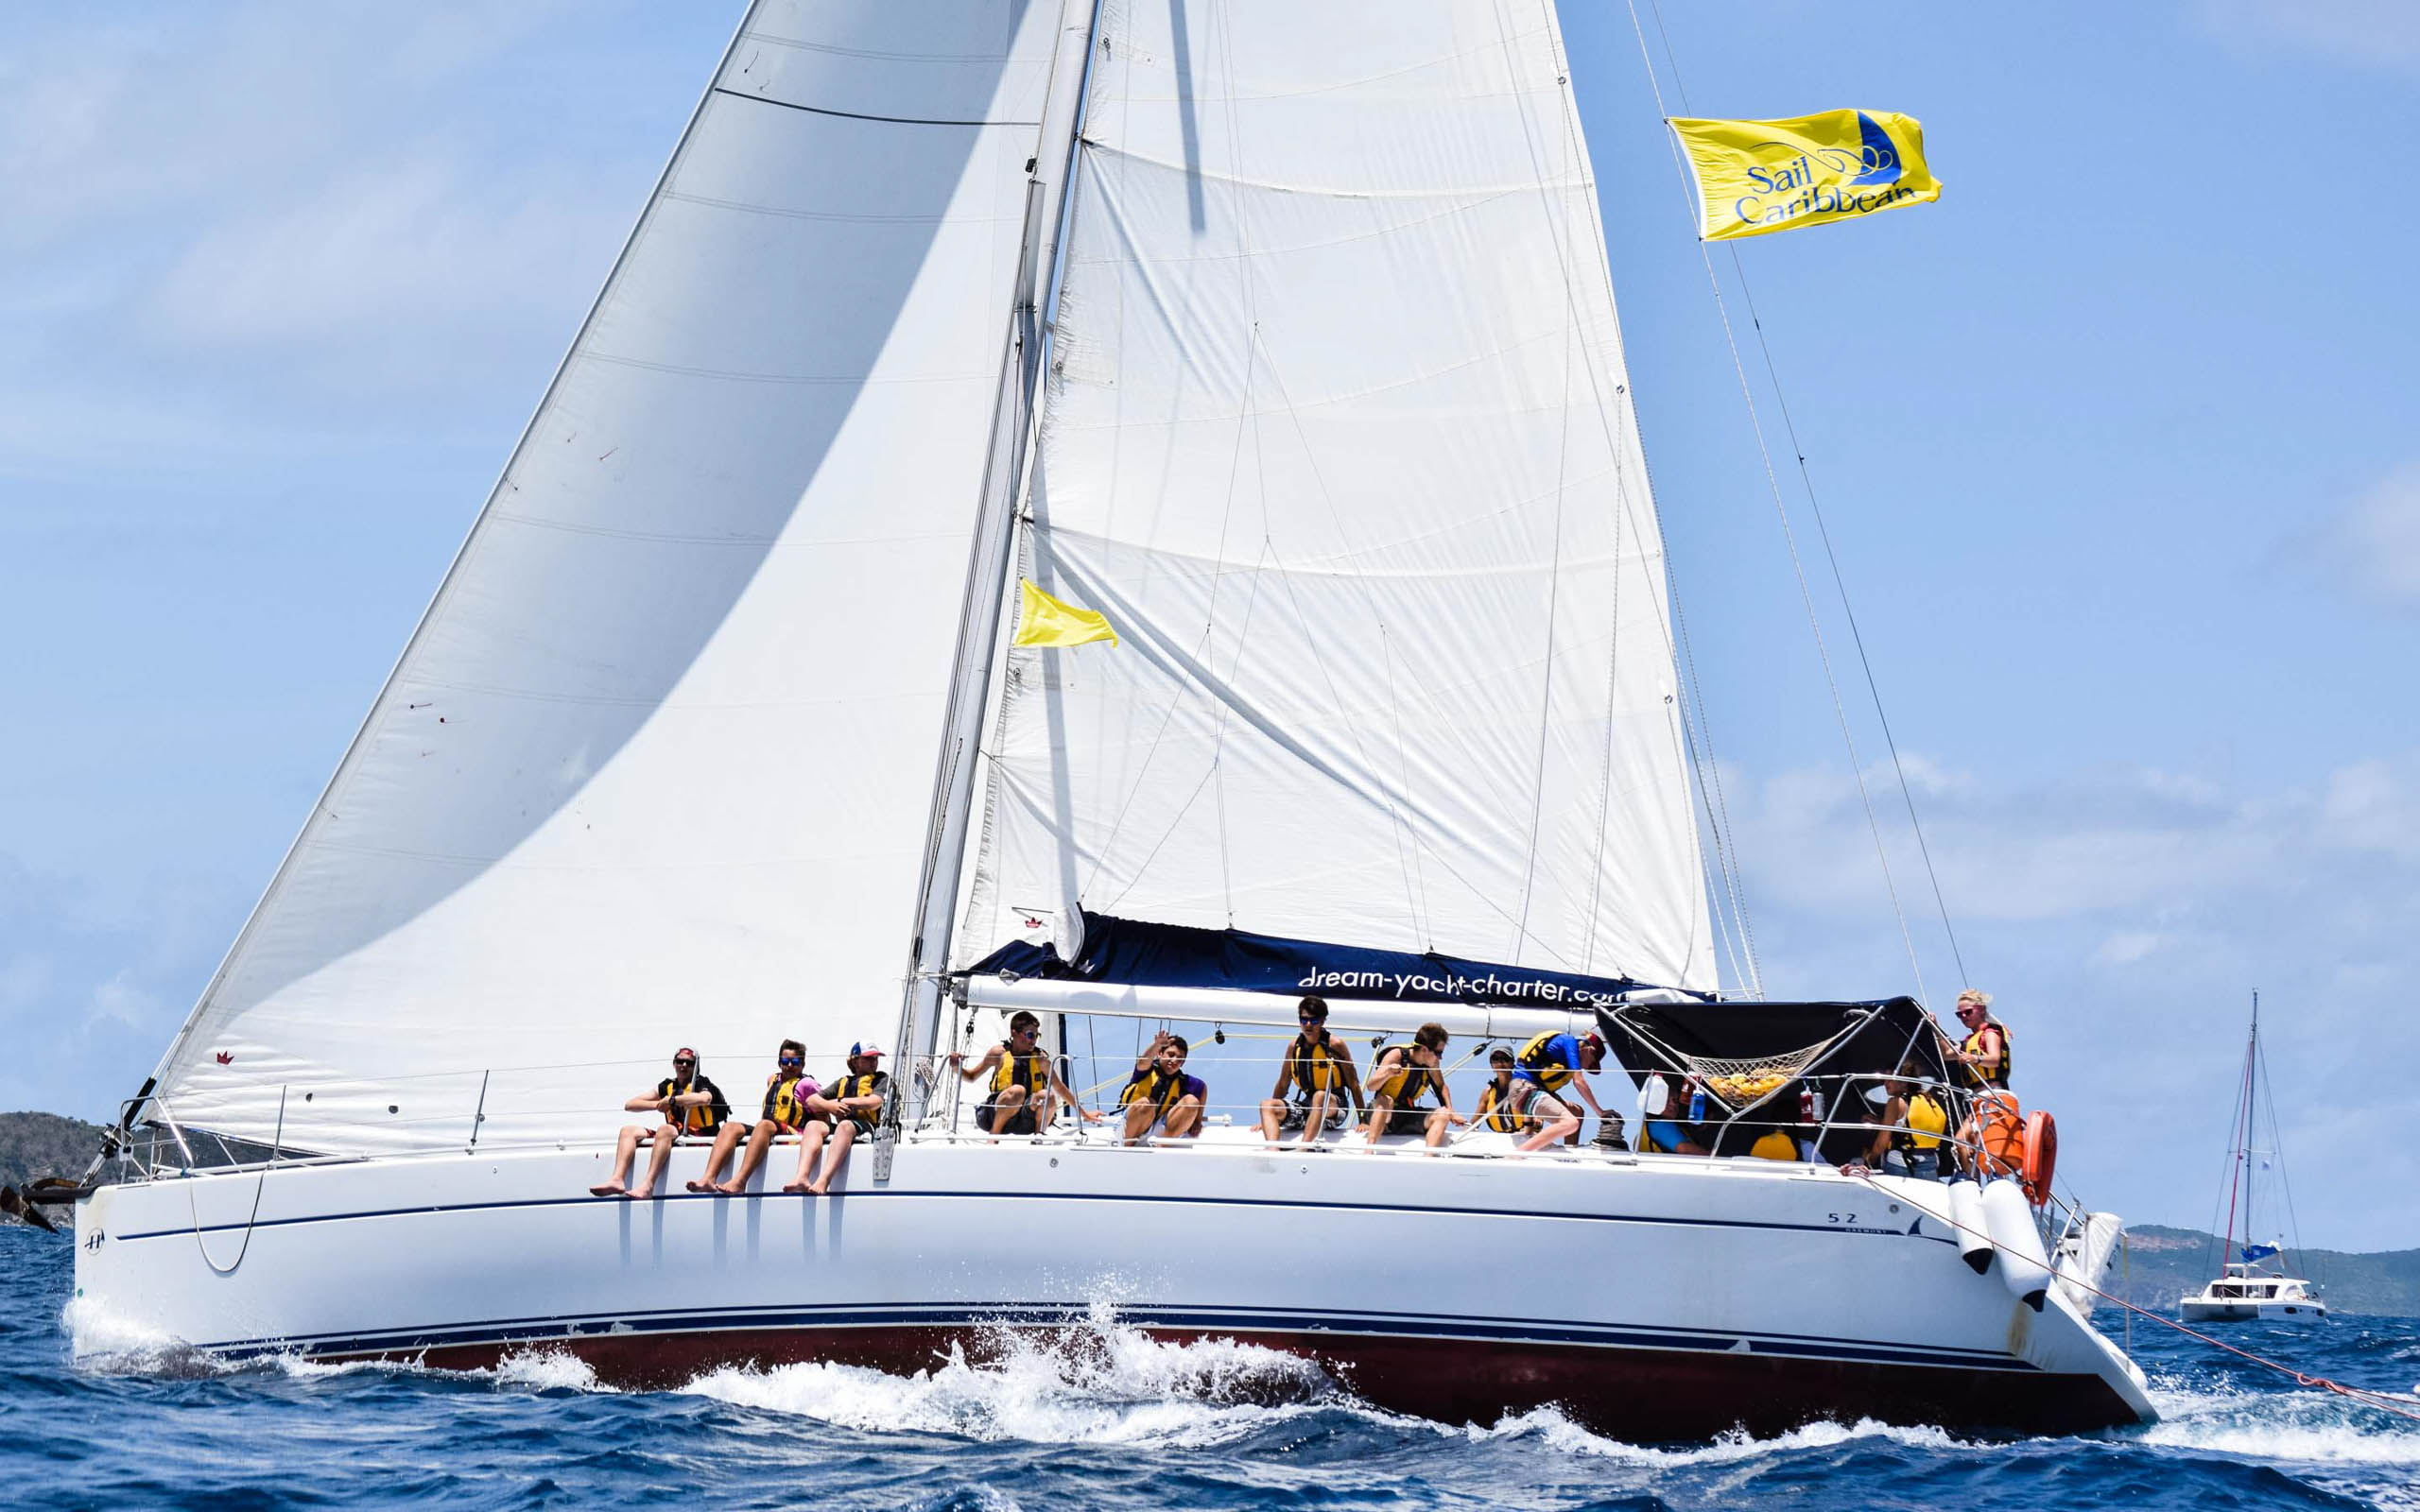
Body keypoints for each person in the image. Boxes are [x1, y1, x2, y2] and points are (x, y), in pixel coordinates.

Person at [588, 1047, 730, 1198]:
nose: (683, 1066)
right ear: (674, 1064)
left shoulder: (702, 1082)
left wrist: (674, 1100)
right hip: (676, 1133)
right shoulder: (667, 1086)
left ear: (695, 1067)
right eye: (680, 1061)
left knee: (665, 1129)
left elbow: (704, 1098)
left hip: (699, 1136)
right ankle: (617, 1179)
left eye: (689, 1063)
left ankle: (648, 1185)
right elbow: (630, 1104)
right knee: (628, 1131)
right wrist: (658, 1105)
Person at [688, 1040, 814, 1194]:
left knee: (764, 1125)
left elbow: (821, 1109)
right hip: (769, 1128)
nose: (789, 1066)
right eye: (785, 1061)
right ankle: (708, 1178)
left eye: (794, 1061)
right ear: (779, 1061)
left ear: (803, 1064)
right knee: (730, 1127)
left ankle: (740, 1181)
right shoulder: (773, 1079)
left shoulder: (807, 1084)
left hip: (793, 1131)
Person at [951, 1011, 1100, 1136]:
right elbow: (971, 1077)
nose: (1033, 1040)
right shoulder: (998, 1054)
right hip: (995, 1116)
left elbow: (1060, 1088)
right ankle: (993, 1138)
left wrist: (1085, 1115)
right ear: (1014, 1033)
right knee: (1017, 1091)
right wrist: (957, 1067)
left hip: (1024, 1120)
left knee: (1047, 1096)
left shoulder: (1040, 1060)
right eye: (1030, 1035)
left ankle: (1039, 1137)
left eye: (1036, 1036)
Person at [1259, 996, 1366, 1146]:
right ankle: (1272, 1152)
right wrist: (1270, 1117)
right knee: (1266, 1105)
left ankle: (1304, 1148)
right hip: (1306, 1106)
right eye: (1304, 1020)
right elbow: (1283, 1084)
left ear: (1322, 1021)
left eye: (1314, 1021)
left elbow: (1354, 1084)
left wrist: (1363, 1119)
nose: (1308, 1025)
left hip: (1335, 1106)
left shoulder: (1335, 1044)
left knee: (1320, 1096)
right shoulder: (1294, 1047)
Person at [786, 1041, 890, 1195]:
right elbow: (811, 1101)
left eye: (875, 1059)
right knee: (813, 1125)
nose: (873, 1062)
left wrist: (841, 1101)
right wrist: (831, 1107)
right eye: (868, 1059)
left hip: (869, 1127)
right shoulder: (843, 1082)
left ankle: (824, 1179)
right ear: (855, 1061)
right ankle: (801, 1177)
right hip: (846, 1128)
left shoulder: (881, 1078)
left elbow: (874, 1102)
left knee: (845, 1125)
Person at [1363, 1022, 1462, 1148]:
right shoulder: (1396, 1055)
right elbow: (1371, 1086)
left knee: (1443, 1114)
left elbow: (1441, 1086)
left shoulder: (1432, 1065)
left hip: (1407, 1115)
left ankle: (1428, 1157)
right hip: (1385, 1112)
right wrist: (1388, 1073)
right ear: (1424, 1050)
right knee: (1385, 1101)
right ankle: (1369, 1150)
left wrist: (1451, 1111)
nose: (1440, 1058)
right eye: (1438, 1053)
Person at [1512, 1028, 1613, 1151]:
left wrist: (1528, 1129)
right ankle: (1518, 1154)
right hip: (1523, 1090)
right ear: (1589, 1050)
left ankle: (1570, 1150)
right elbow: (1578, 1081)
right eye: (1592, 1063)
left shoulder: (1562, 1051)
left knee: (1576, 1112)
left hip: (1526, 1090)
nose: (1587, 1067)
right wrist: (1599, 1112)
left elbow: (1535, 1080)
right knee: (1570, 1123)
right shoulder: (1569, 1042)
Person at [1118, 1031, 1207, 1144]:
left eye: (1179, 1059)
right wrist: (1157, 1045)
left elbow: (1203, 1088)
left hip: (1159, 1126)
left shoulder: (1184, 1081)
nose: (1174, 1060)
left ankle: (1162, 1147)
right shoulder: (1146, 1070)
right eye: (1170, 1055)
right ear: (1160, 1053)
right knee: (1147, 1104)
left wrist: (1198, 1120)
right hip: (1132, 1123)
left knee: (1192, 1101)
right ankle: (1127, 1147)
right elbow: (1142, 1062)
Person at [1946, 988, 2012, 1091]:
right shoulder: (1967, 1043)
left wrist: (1974, 1058)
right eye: (1959, 1014)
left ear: (1982, 1010)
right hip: (1974, 1096)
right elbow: (1946, 1054)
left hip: (1993, 1092)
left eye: (1968, 1012)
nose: (1964, 1016)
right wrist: (1934, 1026)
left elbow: (1995, 1060)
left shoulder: (1990, 1033)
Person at [1636, 1073, 1710, 1157]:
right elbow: (1684, 1149)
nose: (1673, 1104)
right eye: (1666, 1101)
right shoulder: (1659, 1125)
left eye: (1675, 1100)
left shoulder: (1655, 1125)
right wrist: (1715, 1157)